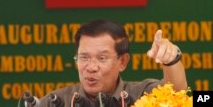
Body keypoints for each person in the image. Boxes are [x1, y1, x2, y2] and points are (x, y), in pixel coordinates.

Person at [38, 20, 187, 107]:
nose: (91, 67)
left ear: (122, 62)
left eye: (102, 58)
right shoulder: (56, 101)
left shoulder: (140, 95)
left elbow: (176, 94)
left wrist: (171, 59)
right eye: (84, 57)